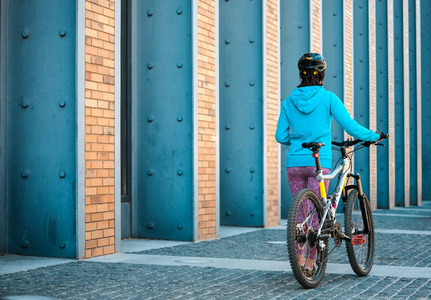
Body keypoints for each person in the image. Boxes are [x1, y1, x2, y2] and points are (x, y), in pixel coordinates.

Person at [275, 52, 384, 273]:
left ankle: (299, 258)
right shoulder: (328, 98)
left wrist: (297, 141)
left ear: (301, 74)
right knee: (318, 212)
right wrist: (374, 136)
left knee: (301, 213)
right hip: (319, 162)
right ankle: (309, 262)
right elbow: (351, 127)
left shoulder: (288, 101)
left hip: (294, 163)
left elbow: (280, 136)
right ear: (321, 75)